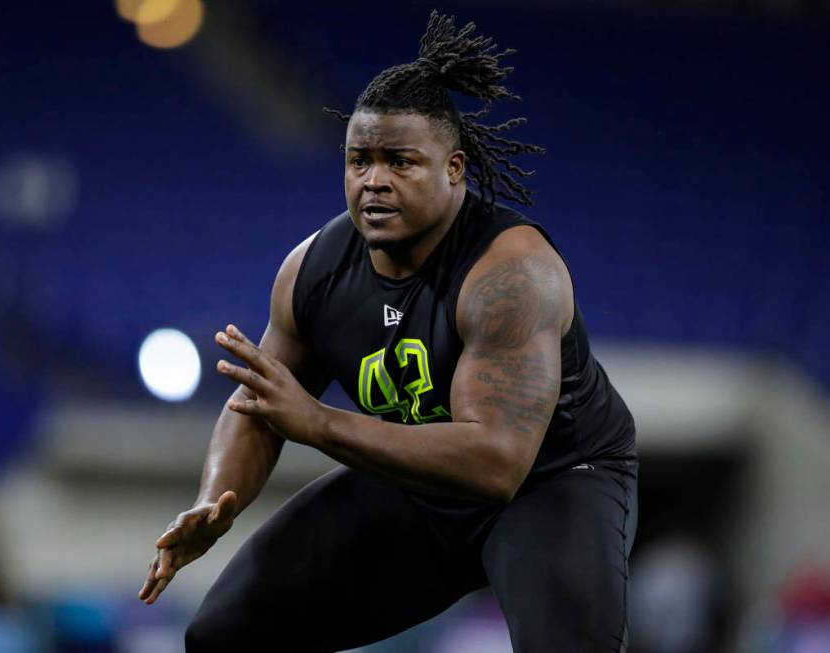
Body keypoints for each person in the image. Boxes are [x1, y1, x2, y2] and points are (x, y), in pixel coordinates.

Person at [139, 11, 638, 652]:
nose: (373, 180)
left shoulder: (513, 274)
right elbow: (260, 406)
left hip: (552, 481)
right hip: (419, 486)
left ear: (455, 169)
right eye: (359, 161)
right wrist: (216, 504)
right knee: (223, 635)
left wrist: (319, 424)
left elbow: (497, 463)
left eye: (399, 161)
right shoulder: (313, 269)